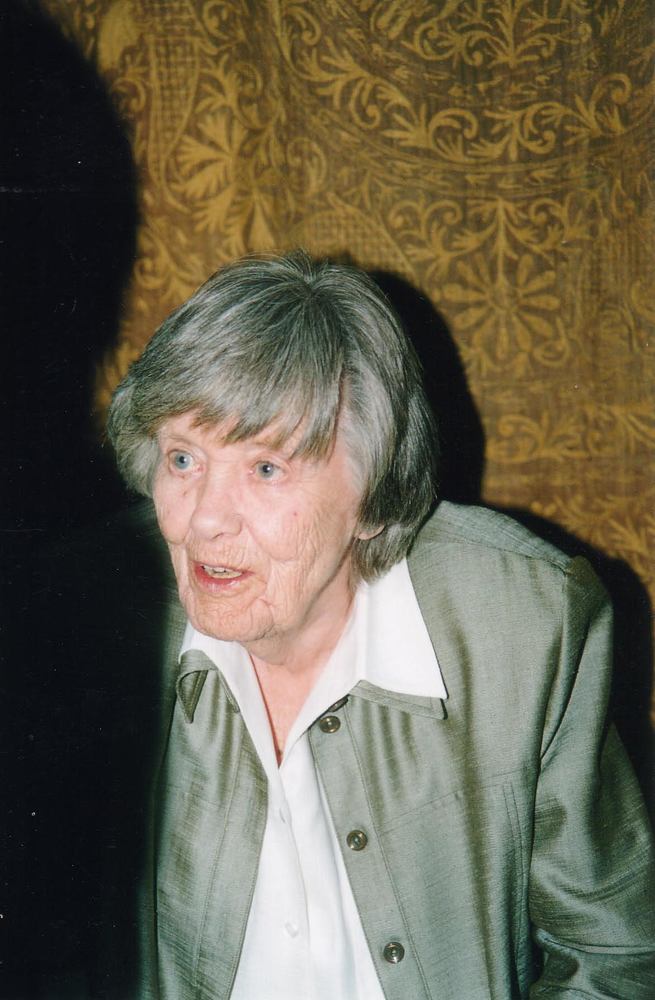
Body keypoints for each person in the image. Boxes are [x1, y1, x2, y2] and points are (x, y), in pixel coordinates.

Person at [103, 251, 654, 999]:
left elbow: (613, 955)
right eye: (182, 459)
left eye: (265, 469)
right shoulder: (88, 621)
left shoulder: (523, 630)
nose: (204, 521)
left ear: (374, 498)